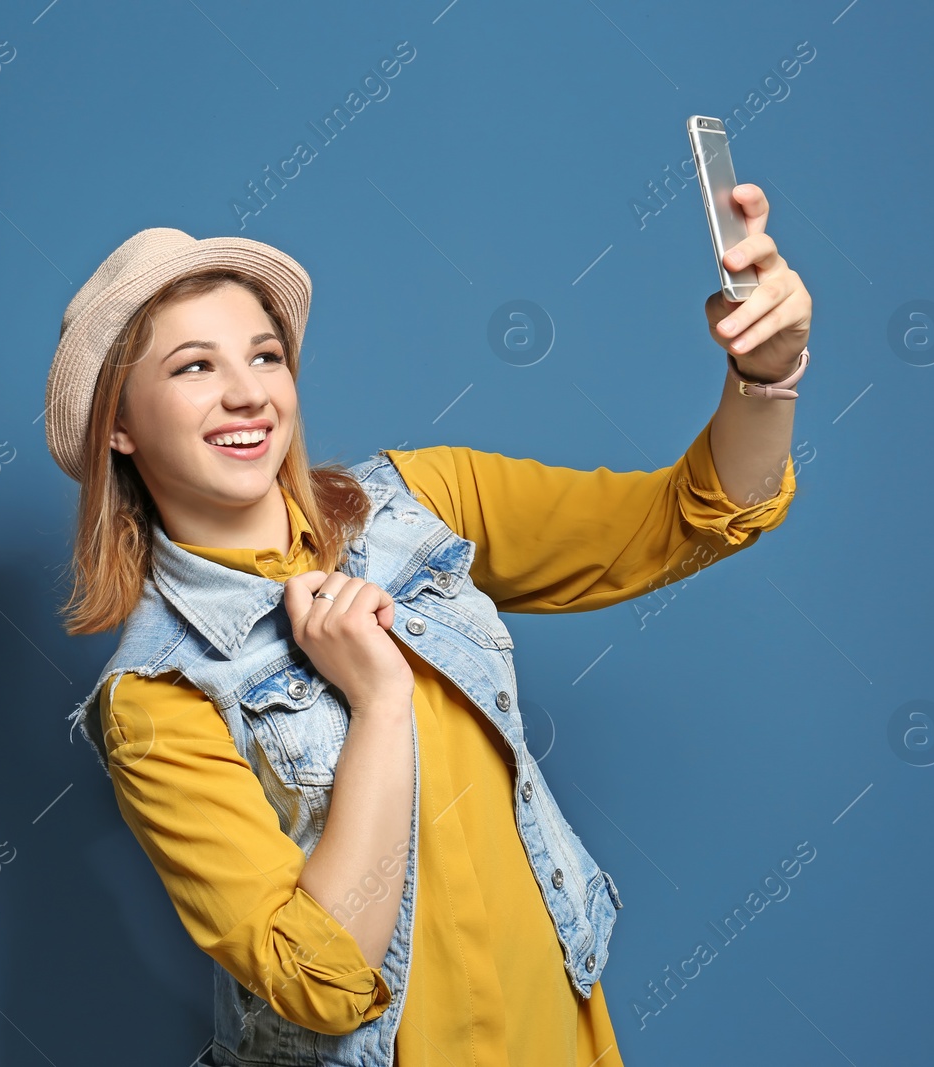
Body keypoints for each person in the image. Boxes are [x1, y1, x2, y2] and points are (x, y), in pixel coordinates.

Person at [43, 195, 811, 1066]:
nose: (248, 391)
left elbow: (688, 518)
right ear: (118, 424)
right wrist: (377, 701)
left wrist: (767, 377)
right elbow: (322, 979)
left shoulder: (416, 504)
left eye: (265, 355)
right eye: (193, 368)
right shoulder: (157, 696)